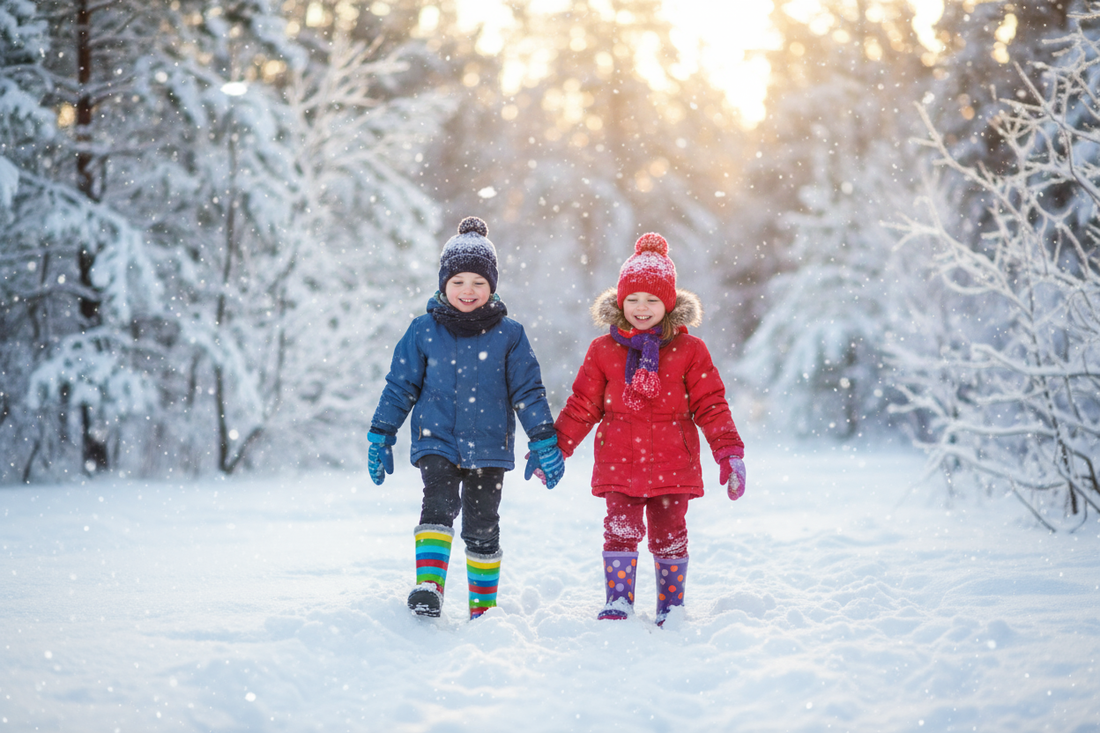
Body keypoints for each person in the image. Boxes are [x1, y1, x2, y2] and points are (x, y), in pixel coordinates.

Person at [367, 216, 564, 619]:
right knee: (436, 505)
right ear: (443, 285)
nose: (467, 291)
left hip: (489, 447)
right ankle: (429, 586)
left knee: (482, 523)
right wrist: (381, 433)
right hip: (436, 438)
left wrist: (543, 439)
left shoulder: (510, 335)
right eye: (457, 282)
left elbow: (528, 391)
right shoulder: (422, 331)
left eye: (478, 282)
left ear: (492, 285)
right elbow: (400, 385)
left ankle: (483, 608)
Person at [553, 232, 746, 626]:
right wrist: (556, 447)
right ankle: (618, 601)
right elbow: (583, 405)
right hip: (619, 462)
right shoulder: (603, 350)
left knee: (670, 533)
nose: (642, 308)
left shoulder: (691, 351)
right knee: (619, 530)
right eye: (633, 299)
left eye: (653, 299)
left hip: (674, 465)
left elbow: (711, 405)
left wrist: (729, 452)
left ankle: (670, 606)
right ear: (620, 301)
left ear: (670, 303)